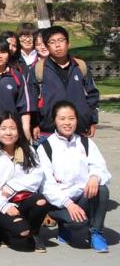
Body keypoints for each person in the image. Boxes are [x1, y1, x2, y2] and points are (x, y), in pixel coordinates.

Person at [39, 101, 111, 253]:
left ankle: (96, 233)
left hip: (82, 196)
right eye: (62, 118)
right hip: (59, 202)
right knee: (78, 224)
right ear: (55, 120)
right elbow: (46, 185)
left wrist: (94, 177)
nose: (67, 123)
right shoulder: (46, 147)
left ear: (77, 120)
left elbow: (100, 167)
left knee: (102, 189)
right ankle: (64, 227)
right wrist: (68, 204)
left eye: (71, 118)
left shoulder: (85, 142)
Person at [0, 111, 52, 252]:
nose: (8, 133)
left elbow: (37, 174)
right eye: (3, 128)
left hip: (23, 199)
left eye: (13, 128)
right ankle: (3, 231)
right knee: (22, 233)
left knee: (41, 202)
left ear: (19, 130)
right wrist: (4, 206)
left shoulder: (27, 150)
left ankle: (34, 233)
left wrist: (12, 187)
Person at [32, 26, 100, 138]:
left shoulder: (80, 66)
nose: (57, 45)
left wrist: (92, 121)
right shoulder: (39, 69)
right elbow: (32, 99)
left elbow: (92, 95)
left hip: (79, 129)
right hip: (48, 131)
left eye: (61, 40)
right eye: (52, 42)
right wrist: (34, 124)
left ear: (68, 43)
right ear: (47, 46)